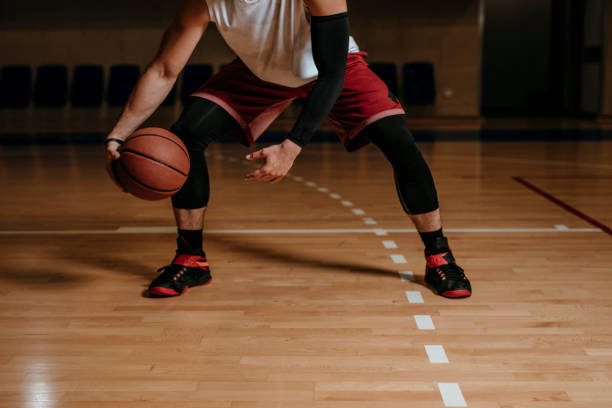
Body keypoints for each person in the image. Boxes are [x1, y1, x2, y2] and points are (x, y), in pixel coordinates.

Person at [104, 0, 472, 299]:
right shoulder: (204, 2)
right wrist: (119, 136)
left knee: (399, 141)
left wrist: (292, 146)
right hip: (259, 75)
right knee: (185, 135)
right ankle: (191, 259)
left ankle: (439, 255)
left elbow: (331, 74)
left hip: (334, 70)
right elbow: (164, 70)